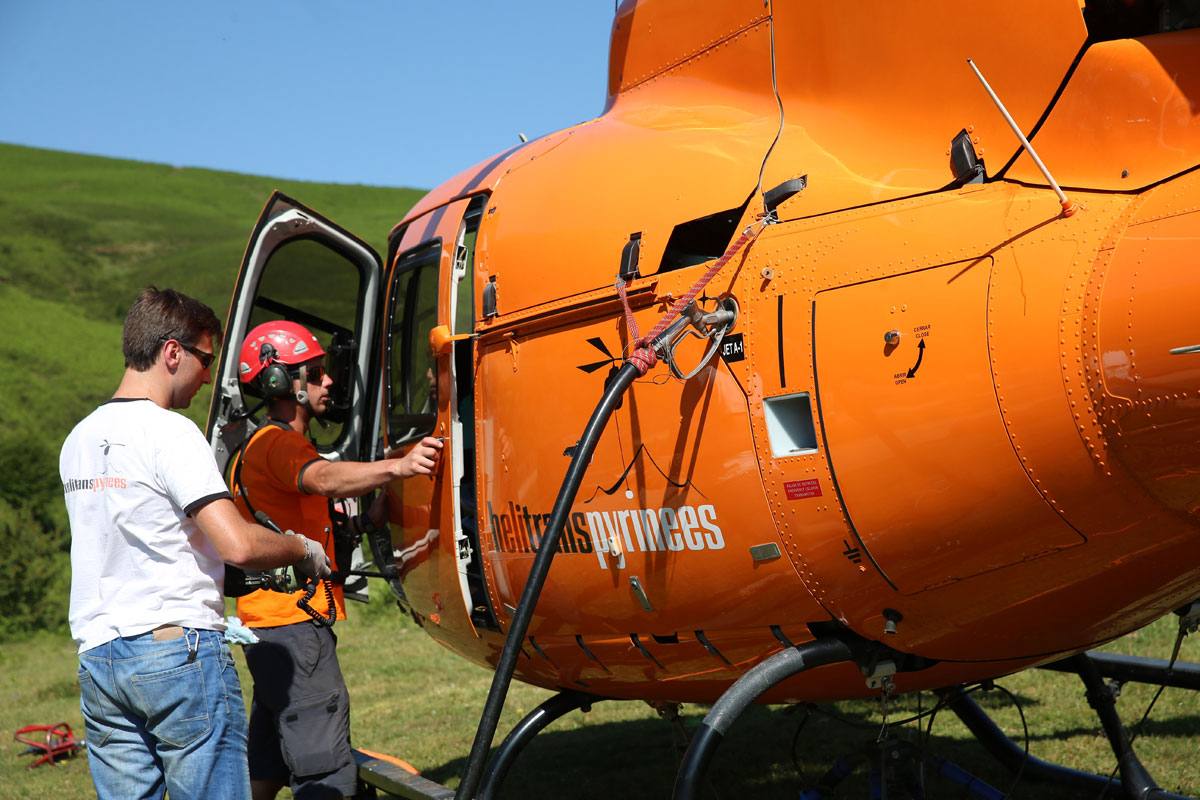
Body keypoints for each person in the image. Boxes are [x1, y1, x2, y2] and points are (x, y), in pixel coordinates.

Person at [61, 287, 332, 800]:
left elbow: (141, 544)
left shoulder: (79, 439)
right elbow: (237, 545)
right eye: (205, 360)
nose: (208, 376)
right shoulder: (170, 432)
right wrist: (300, 549)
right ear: (172, 352)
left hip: (99, 659)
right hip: (176, 653)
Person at [232, 320, 442, 800]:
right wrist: (399, 466)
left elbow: (302, 522)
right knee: (322, 765)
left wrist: (365, 521)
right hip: (292, 624)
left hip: (270, 625)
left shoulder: (264, 445)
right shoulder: (278, 444)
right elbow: (322, 479)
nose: (328, 381)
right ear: (281, 382)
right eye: (315, 372)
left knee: (268, 759)